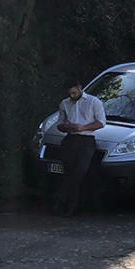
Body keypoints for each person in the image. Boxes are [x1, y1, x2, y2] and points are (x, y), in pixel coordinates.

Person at [54, 79, 105, 216]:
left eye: (74, 92)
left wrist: (83, 127)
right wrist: (67, 127)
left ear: (79, 87)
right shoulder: (64, 104)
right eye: (69, 93)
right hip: (70, 139)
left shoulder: (94, 102)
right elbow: (60, 124)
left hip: (86, 140)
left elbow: (101, 122)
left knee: (80, 172)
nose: (72, 95)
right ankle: (69, 208)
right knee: (70, 172)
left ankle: (61, 198)